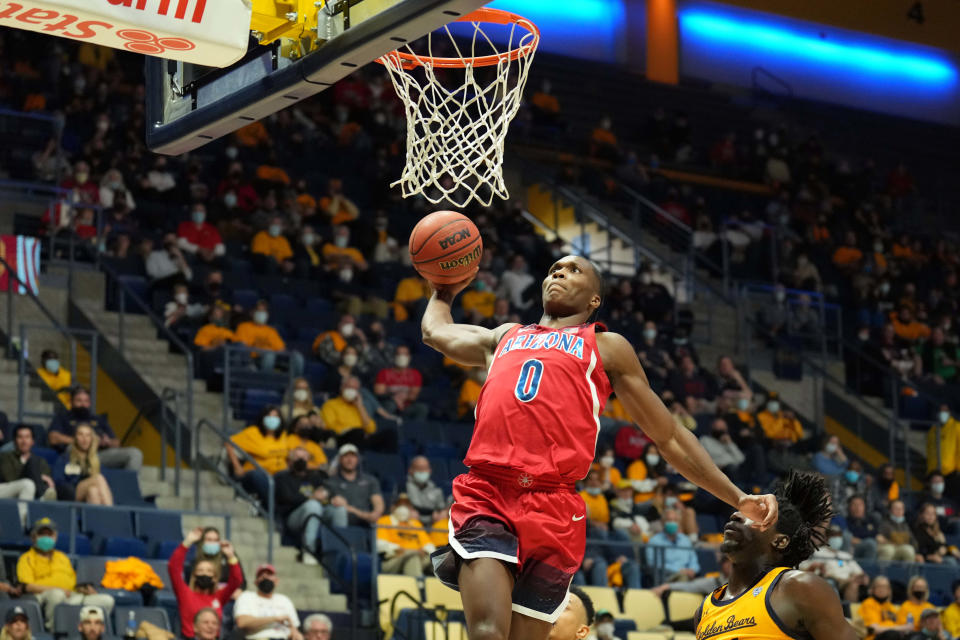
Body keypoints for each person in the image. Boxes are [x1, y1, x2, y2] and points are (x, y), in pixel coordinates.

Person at [422, 255, 776, 639]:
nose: (559, 272)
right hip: (489, 492)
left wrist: (737, 497)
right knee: (489, 632)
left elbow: (669, 435)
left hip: (553, 506)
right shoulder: (505, 336)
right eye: (555, 268)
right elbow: (435, 333)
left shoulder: (605, 346)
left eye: (574, 270)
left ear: (594, 300)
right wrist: (442, 291)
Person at [694, 471, 857, 640]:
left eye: (755, 515)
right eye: (740, 511)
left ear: (780, 541)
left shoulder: (798, 587)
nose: (736, 515)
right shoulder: (704, 609)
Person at [17, 518, 115, 629]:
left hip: (72, 595)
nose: (46, 538)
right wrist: (58, 589)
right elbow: (27, 586)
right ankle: (54, 632)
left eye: (49, 535)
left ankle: (91, 633)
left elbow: (73, 582)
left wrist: (84, 589)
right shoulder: (26, 558)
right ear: (33, 537)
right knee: (56, 594)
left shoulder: (62, 557)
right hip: (46, 596)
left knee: (106, 600)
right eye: (42, 535)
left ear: (55, 537)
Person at [274, 447, 346, 564]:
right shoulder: (282, 477)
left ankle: (339, 552)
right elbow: (287, 499)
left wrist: (328, 494)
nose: (301, 460)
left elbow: (327, 489)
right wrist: (312, 497)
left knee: (339, 510)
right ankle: (309, 550)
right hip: (293, 518)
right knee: (313, 505)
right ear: (290, 460)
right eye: (297, 457)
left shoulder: (314, 476)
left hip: (317, 512)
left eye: (304, 457)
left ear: (308, 459)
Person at [168, 527, 242, 639]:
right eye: (200, 571)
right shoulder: (185, 594)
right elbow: (173, 567)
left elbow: (236, 580)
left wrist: (231, 556)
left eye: (209, 571)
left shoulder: (219, 597)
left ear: (214, 578)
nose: (205, 574)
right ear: (194, 575)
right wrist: (187, 542)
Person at [48, 387, 143, 470]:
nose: (83, 404)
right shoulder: (63, 417)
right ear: (71, 402)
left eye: (86, 401)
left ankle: (128, 486)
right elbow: (53, 438)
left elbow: (117, 442)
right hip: (76, 452)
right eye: (79, 401)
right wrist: (82, 441)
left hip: (100, 454)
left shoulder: (98, 419)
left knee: (135, 453)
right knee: (72, 449)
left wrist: (108, 442)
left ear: (89, 403)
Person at [226, 407, 290, 505]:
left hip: (278, 475)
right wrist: (237, 467)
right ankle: (274, 507)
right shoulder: (253, 432)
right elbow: (229, 443)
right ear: (263, 418)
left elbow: (286, 454)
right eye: (269, 416)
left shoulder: (283, 435)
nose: (272, 419)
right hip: (258, 474)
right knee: (258, 476)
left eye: (275, 416)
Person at [798, 523, 868, 602]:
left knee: (854, 585)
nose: (837, 539)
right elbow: (804, 567)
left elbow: (859, 572)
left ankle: (848, 611)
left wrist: (860, 577)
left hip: (846, 582)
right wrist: (816, 567)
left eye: (838, 536)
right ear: (827, 538)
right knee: (829, 583)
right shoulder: (818, 553)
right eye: (834, 536)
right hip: (829, 580)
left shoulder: (846, 556)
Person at [234, 301, 304, 376]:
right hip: (254, 359)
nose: (261, 314)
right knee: (269, 354)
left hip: (273, 358)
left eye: (264, 311)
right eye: (259, 311)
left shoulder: (271, 330)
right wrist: (262, 351)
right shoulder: (244, 327)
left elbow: (281, 349)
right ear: (252, 313)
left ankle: (295, 383)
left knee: (297, 357)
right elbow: (241, 347)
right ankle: (266, 380)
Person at [233, 564, 302, 640]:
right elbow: (242, 622)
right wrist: (275, 618)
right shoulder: (247, 596)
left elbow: (294, 629)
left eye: (269, 574)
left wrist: (296, 635)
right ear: (256, 582)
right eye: (261, 575)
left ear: (276, 581)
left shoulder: (284, 600)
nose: (265, 577)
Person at [324, 444, 384, 528]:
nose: (349, 460)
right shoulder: (331, 482)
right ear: (340, 459)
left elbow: (378, 508)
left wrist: (352, 510)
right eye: (346, 456)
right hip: (338, 524)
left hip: (365, 524)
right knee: (340, 511)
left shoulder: (370, 480)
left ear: (358, 459)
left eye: (353, 456)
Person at [0, 425, 56, 514]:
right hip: (6, 489)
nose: (24, 441)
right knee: (28, 483)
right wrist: (36, 475)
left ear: (32, 441)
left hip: (31, 490)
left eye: (27, 437)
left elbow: (47, 482)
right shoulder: (5, 457)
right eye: (20, 437)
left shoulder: (40, 461)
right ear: (15, 441)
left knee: (31, 483)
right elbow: (9, 478)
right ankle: (42, 499)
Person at [52, 423, 113, 504]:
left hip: (87, 495)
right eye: (81, 434)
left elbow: (105, 484)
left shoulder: (95, 460)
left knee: (93, 491)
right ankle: (111, 512)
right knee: (98, 478)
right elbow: (57, 480)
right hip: (71, 493)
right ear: (75, 437)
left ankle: (97, 516)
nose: (84, 439)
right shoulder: (65, 458)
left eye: (88, 435)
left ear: (92, 439)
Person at [375, 495, 435, 576]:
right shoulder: (384, 520)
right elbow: (380, 544)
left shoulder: (415, 523)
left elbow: (429, 545)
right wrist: (400, 549)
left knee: (438, 561)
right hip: (393, 560)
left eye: (407, 506)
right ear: (393, 507)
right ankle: (420, 586)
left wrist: (424, 551)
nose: (404, 509)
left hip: (419, 558)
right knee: (412, 556)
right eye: (400, 505)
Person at [373, 345, 428, 420]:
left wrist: (403, 398)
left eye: (405, 354)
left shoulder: (415, 374)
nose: (402, 357)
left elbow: (413, 395)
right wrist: (393, 398)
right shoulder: (384, 373)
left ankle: (416, 431)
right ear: (394, 356)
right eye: (399, 354)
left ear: (409, 357)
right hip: (389, 403)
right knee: (390, 405)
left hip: (407, 406)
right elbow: (379, 393)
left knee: (422, 408)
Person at [645, 508, 699, 582]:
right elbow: (654, 564)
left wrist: (692, 570)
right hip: (666, 578)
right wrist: (679, 570)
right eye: (669, 520)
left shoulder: (685, 540)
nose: (672, 523)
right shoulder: (654, 541)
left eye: (675, 520)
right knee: (683, 578)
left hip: (689, 576)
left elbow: (693, 560)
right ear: (663, 522)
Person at [860, 576, 904, 640]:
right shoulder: (868, 603)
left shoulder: (890, 606)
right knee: (892, 634)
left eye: (885, 587)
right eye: (879, 586)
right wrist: (899, 628)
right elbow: (874, 629)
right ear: (873, 589)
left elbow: (901, 626)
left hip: (894, 636)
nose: (882, 589)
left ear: (889, 590)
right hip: (874, 637)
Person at [405, 456, 447, 523]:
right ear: (410, 470)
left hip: (433, 522)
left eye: (425, 468)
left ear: (430, 470)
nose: (422, 471)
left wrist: (442, 513)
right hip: (411, 523)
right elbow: (396, 507)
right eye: (419, 468)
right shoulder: (403, 487)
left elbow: (441, 508)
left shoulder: (437, 490)